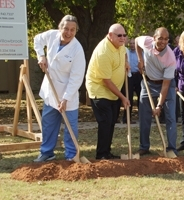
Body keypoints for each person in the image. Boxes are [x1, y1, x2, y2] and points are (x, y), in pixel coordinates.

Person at [33, 15, 86, 162]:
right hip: (51, 90)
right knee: (48, 123)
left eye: (72, 30)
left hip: (68, 93)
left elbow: (76, 78)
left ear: (76, 31)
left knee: (70, 127)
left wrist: (65, 99)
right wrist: (41, 56)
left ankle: (71, 155)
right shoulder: (51, 36)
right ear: (60, 27)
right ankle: (47, 152)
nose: (68, 33)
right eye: (66, 29)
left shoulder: (77, 50)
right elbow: (37, 40)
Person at [86, 23, 130, 160]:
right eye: (119, 35)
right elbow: (106, 81)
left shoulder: (120, 45)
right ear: (110, 35)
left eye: (124, 35)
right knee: (105, 122)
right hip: (100, 90)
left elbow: (123, 54)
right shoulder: (103, 52)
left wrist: (126, 62)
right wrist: (123, 97)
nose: (123, 38)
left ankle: (107, 152)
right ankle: (101, 154)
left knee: (111, 122)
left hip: (113, 92)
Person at [135, 27, 177, 156]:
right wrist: (140, 59)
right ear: (154, 38)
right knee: (144, 116)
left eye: (166, 39)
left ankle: (171, 148)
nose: (163, 42)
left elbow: (165, 85)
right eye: (160, 38)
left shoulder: (170, 58)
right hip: (147, 82)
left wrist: (159, 105)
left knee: (170, 117)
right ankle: (144, 147)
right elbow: (136, 41)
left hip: (166, 86)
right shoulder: (147, 42)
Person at [122, 38, 142, 124]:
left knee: (141, 97)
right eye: (131, 43)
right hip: (129, 76)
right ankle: (126, 118)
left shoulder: (141, 53)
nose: (132, 45)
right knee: (128, 96)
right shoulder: (127, 52)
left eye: (134, 43)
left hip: (139, 75)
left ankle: (141, 117)